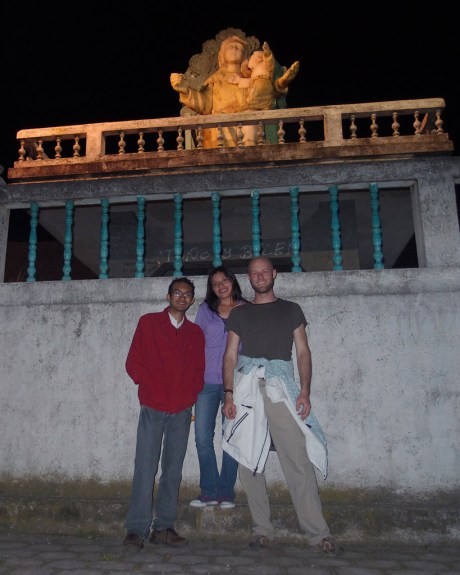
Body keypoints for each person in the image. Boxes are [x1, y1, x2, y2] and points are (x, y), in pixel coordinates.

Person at [222, 257, 340, 556]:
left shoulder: (291, 309)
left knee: (296, 459)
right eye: (254, 273)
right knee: (248, 460)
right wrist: (228, 393)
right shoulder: (240, 313)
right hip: (248, 385)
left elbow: (302, 351)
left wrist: (304, 391)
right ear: (248, 278)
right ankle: (262, 530)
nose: (259, 277)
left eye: (264, 271)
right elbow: (230, 355)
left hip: (280, 385)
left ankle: (317, 534)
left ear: (274, 274)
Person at [123, 277, 205, 549]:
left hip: (182, 409)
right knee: (145, 467)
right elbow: (133, 361)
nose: (182, 298)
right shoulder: (149, 323)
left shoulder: (195, 333)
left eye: (188, 294)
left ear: (192, 300)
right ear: (168, 296)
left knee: (173, 470)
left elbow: (198, 370)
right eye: (177, 293)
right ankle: (136, 529)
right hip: (153, 406)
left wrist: (190, 395)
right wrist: (150, 385)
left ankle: (164, 527)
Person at [189, 266, 247, 509]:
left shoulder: (247, 309)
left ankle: (226, 492)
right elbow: (194, 343)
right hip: (206, 383)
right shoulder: (205, 310)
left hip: (236, 383)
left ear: (232, 281)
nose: (221, 285)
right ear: (211, 288)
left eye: (225, 280)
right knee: (203, 437)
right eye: (215, 283)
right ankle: (209, 491)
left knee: (231, 437)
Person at [171, 34, 249, 148]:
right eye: (230, 47)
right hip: (219, 126)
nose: (234, 49)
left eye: (239, 48)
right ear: (222, 55)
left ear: (244, 56)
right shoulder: (215, 80)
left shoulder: (249, 79)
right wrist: (186, 91)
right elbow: (205, 104)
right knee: (217, 127)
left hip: (244, 124)